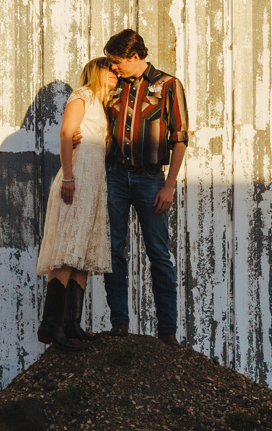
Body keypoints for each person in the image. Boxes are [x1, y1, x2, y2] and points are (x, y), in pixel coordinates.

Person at [101, 29, 189, 347]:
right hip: (115, 176)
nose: (113, 67)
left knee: (158, 254)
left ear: (134, 57)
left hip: (151, 179)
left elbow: (180, 139)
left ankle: (167, 331)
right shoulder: (113, 87)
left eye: (117, 61)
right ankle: (119, 324)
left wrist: (169, 186)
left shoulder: (168, 86)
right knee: (114, 251)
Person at [35, 57, 117, 351]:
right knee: (68, 248)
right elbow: (66, 133)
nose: (116, 75)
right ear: (97, 71)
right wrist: (68, 177)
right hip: (77, 179)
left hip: (94, 184)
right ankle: (51, 324)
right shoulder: (82, 95)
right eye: (111, 70)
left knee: (82, 252)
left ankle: (71, 324)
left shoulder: (101, 106)